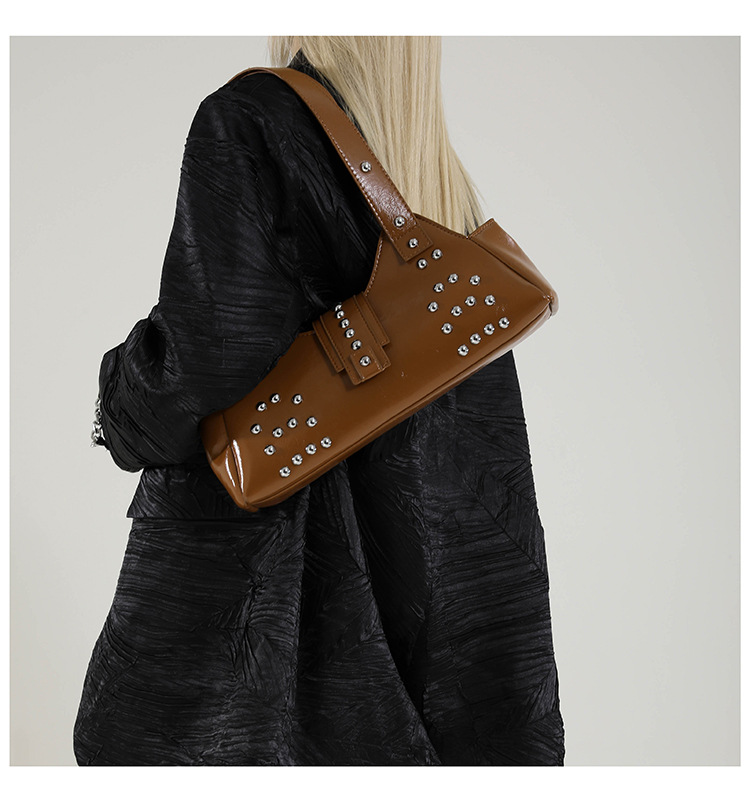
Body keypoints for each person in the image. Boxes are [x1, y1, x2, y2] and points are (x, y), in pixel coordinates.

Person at [74, 35, 565, 766]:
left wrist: (118, 403)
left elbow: (207, 351)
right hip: (431, 600)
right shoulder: (429, 166)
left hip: (279, 603)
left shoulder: (252, 119)